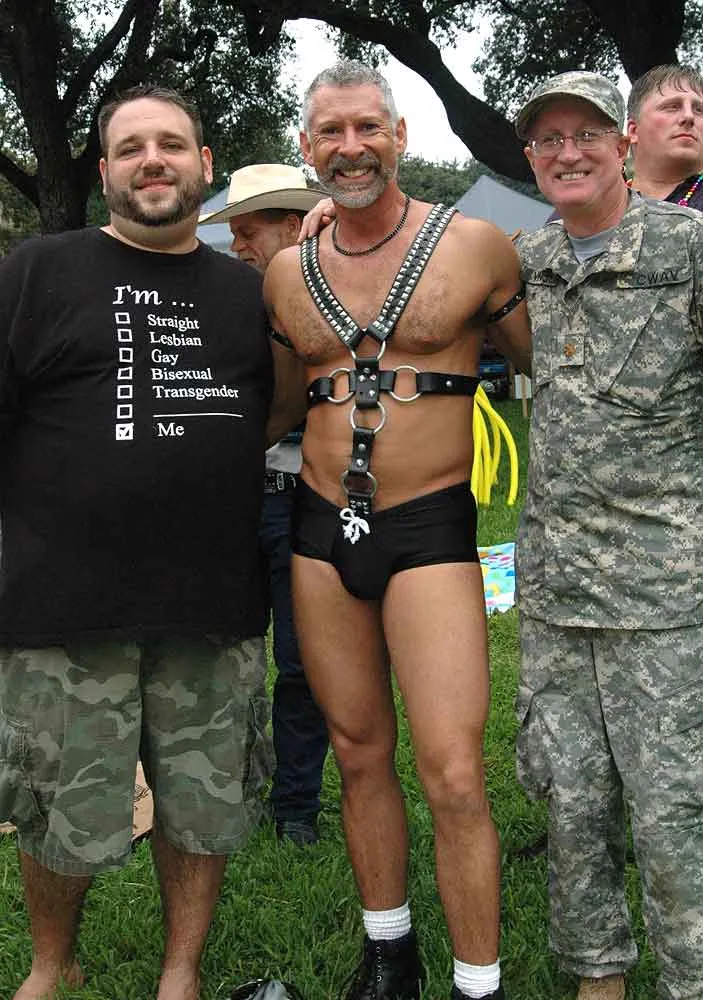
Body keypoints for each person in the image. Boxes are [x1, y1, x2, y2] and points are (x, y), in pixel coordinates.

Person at [0, 85, 290, 1000]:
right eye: (131, 148)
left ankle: (180, 972)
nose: (151, 160)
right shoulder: (37, 271)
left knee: (205, 805)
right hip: (62, 605)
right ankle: (51, 964)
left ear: (205, 164)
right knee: (59, 804)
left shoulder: (251, 294)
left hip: (210, 601)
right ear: (105, 171)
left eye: (171, 143)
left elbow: (275, 412)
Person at [264, 60, 531, 1000]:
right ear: (307, 147)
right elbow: (277, 407)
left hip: (429, 528)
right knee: (356, 751)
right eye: (331, 132)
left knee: (453, 772)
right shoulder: (285, 272)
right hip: (318, 529)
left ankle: (477, 983)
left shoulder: (477, 245)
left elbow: (551, 372)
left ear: (400, 136)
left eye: (367, 127)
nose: (351, 148)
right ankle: (390, 956)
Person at [515, 71, 703, 1000]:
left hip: (662, 596)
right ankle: (597, 974)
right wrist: (317, 217)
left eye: (585, 133)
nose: (568, 152)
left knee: (674, 812)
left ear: (622, 144)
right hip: (554, 594)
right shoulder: (525, 261)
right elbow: (411, 260)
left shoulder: (687, 247)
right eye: (548, 139)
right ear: (530, 159)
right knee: (571, 799)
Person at [200, 164, 330, 846]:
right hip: (230, 501)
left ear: (293, 226)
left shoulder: (339, 298)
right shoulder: (222, 304)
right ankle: (221, 796)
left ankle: (295, 807)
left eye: (249, 231)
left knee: (303, 661)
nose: (238, 245)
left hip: (305, 500)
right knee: (216, 654)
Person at [627, 64, 703, 208]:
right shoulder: (599, 207)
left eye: (699, 110)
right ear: (634, 131)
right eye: (672, 107)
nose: (689, 116)